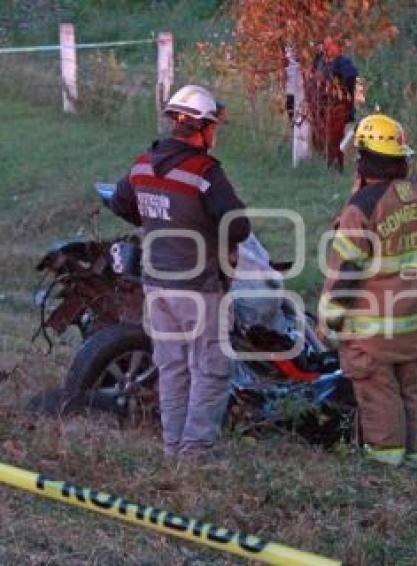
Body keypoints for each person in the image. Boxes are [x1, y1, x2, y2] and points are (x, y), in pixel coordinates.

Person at [107, 85, 251, 457]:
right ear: (202, 128)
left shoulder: (142, 164)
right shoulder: (204, 171)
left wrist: (158, 221)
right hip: (199, 288)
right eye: (213, 126)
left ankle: (173, 447)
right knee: (211, 369)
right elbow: (238, 228)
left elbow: (121, 202)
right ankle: (195, 452)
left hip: (157, 287)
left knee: (172, 368)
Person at [318, 113, 417, 467]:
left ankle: (386, 484)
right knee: (408, 405)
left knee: (381, 409)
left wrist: (328, 325)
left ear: (364, 160)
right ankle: (410, 472)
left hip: (370, 338)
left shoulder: (362, 208)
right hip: (411, 330)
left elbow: (345, 274)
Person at [308, 35, 358, 172]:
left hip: (337, 108)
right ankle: (324, 164)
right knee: (320, 137)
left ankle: (336, 167)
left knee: (335, 138)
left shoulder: (343, 63)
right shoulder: (319, 60)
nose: (327, 49)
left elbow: (351, 76)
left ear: (337, 47)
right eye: (326, 45)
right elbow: (312, 76)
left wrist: (334, 83)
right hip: (319, 106)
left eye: (330, 46)